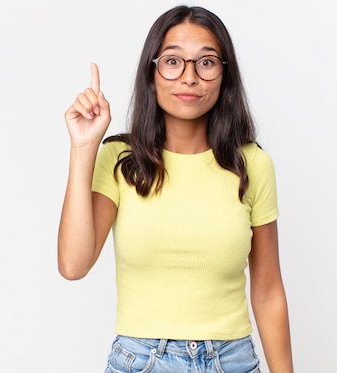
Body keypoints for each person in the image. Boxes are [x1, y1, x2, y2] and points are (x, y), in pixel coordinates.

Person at [58, 5, 293, 373]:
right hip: (142, 361)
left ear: (224, 74)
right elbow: (73, 265)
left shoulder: (252, 164)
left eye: (206, 62)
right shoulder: (121, 159)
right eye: (172, 62)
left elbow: (267, 293)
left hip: (232, 361)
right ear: (152, 73)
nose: (189, 77)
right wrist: (83, 148)